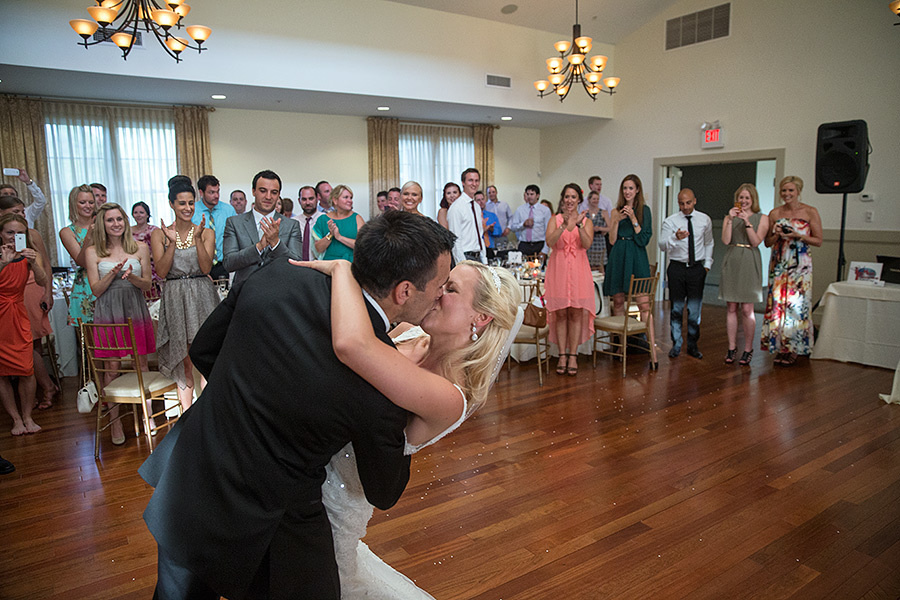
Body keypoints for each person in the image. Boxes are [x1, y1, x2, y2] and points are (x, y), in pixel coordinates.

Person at [138, 210, 455, 600]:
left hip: (194, 464)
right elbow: (384, 490)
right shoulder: (382, 378)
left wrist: (245, 398)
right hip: (275, 511)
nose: (442, 295)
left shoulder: (277, 274)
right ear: (404, 291)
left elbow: (205, 349)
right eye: (440, 285)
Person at [297, 256, 520, 599]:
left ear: (481, 317)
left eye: (451, 289)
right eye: (441, 284)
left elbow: (353, 348)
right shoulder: (409, 332)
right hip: (306, 464)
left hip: (339, 499)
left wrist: (344, 270)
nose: (436, 293)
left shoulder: (450, 395)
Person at [85, 203, 155, 446]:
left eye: (119, 219)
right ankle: (114, 420)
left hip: (135, 307)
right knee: (112, 366)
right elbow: (95, 290)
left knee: (141, 362)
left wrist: (133, 277)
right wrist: (111, 274)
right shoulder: (93, 251)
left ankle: (148, 417)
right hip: (108, 310)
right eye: (110, 220)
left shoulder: (140, 248)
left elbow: (147, 285)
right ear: (102, 224)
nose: (116, 224)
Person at [151, 176, 220, 411]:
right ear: (172, 204)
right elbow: (161, 271)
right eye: (182, 203)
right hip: (175, 295)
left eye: (191, 203)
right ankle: (187, 416)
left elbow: (206, 267)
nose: (187, 208)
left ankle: (208, 412)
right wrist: (172, 243)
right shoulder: (159, 234)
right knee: (185, 359)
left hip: (202, 294)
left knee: (206, 355)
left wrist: (198, 239)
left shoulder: (206, 232)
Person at [0, 196, 57, 409]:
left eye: (23, 212)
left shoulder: (31, 239)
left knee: (32, 345)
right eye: (10, 232)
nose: (16, 237)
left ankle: (44, 388)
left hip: (28, 294)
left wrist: (47, 291)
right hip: (4, 304)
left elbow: (45, 270)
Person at [761, 176, 822, 366]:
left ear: (798, 191)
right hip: (779, 262)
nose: (787, 194)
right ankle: (780, 346)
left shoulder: (810, 212)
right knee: (778, 305)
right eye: (784, 191)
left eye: (791, 191)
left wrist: (798, 235)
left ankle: (796, 347)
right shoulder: (775, 213)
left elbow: (818, 240)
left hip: (801, 264)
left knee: (797, 305)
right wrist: (776, 234)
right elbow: (767, 242)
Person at [0, 214, 48, 436]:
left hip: (18, 314)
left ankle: (28, 416)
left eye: (20, 233)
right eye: (10, 232)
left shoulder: (27, 255)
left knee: (26, 368)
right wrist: (4, 263)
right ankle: (16, 419)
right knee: (1, 372)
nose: (14, 237)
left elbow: (41, 281)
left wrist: (31, 262)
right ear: (1, 233)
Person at [544, 184, 594, 376]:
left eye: (573, 197)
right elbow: (550, 242)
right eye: (567, 196)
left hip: (579, 270)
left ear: (579, 200)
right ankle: (562, 355)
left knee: (575, 314)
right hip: (559, 269)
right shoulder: (554, 219)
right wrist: (564, 225)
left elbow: (587, 243)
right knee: (561, 314)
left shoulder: (586, 221)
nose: (570, 200)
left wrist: (579, 224)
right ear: (562, 199)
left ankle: (573, 355)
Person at [658, 189, 714, 359]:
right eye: (682, 203)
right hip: (677, 268)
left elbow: (709, 242)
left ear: (694, 201)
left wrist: (707, 265)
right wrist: (675, 238)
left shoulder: (704, 219)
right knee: (676, 307)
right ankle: (676, 343)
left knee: (694, 309)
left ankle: (693, 345)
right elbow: (662, 245)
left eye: (688, 203)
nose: (685, 206)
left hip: (697, 268)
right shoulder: (670, 221)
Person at [223, 170, 302, 287]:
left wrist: (276, 243)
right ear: (253, 191)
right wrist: (259, 247)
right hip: (245, 292)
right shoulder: (234, 223)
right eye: (263, 191)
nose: (268, 197)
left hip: (280, 292)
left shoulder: (291, 225)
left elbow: (296, 264)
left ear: (279, 194)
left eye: (274, 192)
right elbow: (229, 263)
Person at [720, 183, 768, 366]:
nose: (744, 201)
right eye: (741, 197)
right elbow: (725, 240)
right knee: (731, 307)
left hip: (749, 259)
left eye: (747, 198)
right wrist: (731, 220)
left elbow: (756, 242)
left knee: (747, 309)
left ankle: (748, 348)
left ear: (753, 199)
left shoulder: (762, 218)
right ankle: (731, 347)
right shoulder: (728, 217)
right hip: (732, 258)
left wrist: (747, 222)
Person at [58, 184, 96, 326]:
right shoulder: (67, 232)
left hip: (108, 280)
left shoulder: (105, 225)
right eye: (82, 202)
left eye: (91, 202)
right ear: (74, 204)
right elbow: (81, 261)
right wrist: (89, 236)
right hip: (86, 285)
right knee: (91, 339)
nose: (88, 206)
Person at [193, 175, 235, 280]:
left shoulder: (228, 210)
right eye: (211, 192)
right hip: (199, 266)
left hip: (223, 265)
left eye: (218, 191)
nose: (216, 196)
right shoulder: (192, 212)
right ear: (201, 193)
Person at [314, 184, 366, 261]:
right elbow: (318, 249)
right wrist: (331, 234)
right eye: (346, 197)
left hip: (352, 264)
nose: (350, 201)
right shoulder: (323, 219)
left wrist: (339, 237)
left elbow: (363, 246)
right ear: (335, 200)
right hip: (329, 264)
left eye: (351, 198)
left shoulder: (357, 218)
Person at [446, 168, 486, 264]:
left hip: (478, 257)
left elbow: (480, 236)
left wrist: (484, 260)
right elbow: (455, 241)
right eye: (470, 180)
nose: (474, 184)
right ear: (463, 183)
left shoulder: (476, 206)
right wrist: (462, 264)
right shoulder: (456, 207)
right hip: (465, 257)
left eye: (476, 181)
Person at [130, 201, 162, 300]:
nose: (138, 215)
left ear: (147, 214)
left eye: (141, 212)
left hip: (153, 269)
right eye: (136, 212)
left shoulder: (154, 230)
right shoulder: (128, 231)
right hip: (135, 269)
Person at [510, 184, 552, 257]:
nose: (529, 196)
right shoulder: (520, 209)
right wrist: (523, 224)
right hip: (524, 245)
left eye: (532, 194)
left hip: (539, 244)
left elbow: (548, 232)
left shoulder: (545, 210)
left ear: (538, 195)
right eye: (528, 194)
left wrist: (545, 250)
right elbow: (513, 227)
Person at [294, 185, 323, 261]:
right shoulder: (293, 222)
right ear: (299, 201)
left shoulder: (325, 220)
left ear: (317, 198)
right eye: (304, 199)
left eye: (311, 199)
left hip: (321, 267)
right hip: (298, 266)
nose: (307, 202)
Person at [584, 190, 610, 271]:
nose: (596, 201)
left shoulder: (603, 212)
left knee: (600, 265)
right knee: (587, 265)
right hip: (589, 241)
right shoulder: (585, 213)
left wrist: (600, 228)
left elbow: (609, 227)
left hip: (599, 241)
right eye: (594, 199)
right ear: (589, 199)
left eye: (597, 199)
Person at [475, 189, 501, 261]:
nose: (481, 202)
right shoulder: (471, 217)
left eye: (482, 199)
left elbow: (499, 232)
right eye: (478, 200)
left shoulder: (492, 216)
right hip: (477, 250)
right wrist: (484, 229)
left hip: (490, 249)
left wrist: (492, 229)